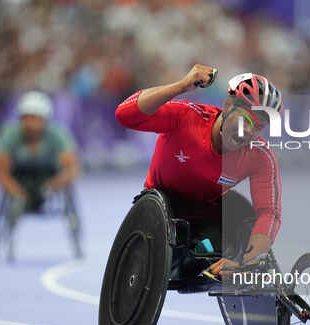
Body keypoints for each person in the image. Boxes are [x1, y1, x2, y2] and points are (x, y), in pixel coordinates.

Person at [115, 65, 283, 279]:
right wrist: (182, 85)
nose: (249, 131)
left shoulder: (260, 155)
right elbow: (124, 115)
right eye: (246, 120)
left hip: (203, 219)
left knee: (244, 218)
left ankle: (239, 271)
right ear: (228, 105)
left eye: (258, 126)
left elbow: (269, 213)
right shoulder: (186, 117)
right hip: (160, 212)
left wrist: (245, 261)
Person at [0, 91, 80, 222]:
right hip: (20, 175)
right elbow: (2, 172)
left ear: (45, 119)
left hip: (49, 176)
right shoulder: (10, 135)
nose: (30, 124)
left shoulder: (58, 134)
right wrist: (16, 192)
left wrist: (53, 185)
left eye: (35, 118)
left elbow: (72, 168)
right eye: (26, 118)